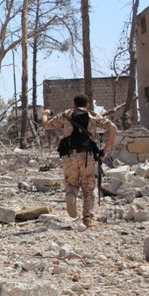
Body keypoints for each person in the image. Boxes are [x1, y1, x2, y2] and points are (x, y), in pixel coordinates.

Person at [42, 94, 117, 228]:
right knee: (88, 187)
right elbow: (113, 128)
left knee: (71, 182)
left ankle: (71, 195)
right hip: (87, 155)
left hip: (69, 155)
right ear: (87, 104)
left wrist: (45, 114)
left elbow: (46, 125)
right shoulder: (92, 115)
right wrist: (104, 150)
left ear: (74, 104)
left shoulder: (66, 114)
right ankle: (88, 218)